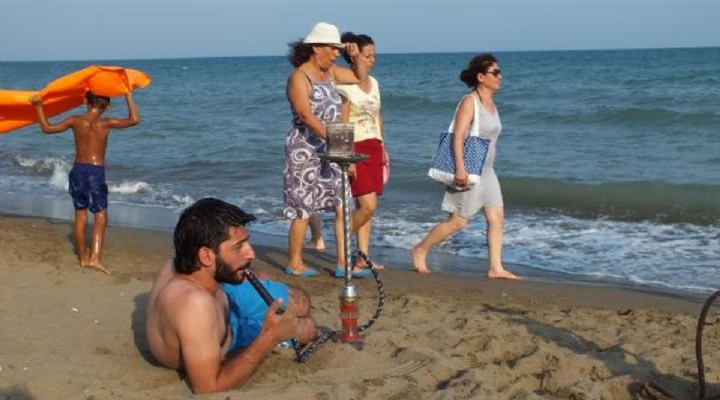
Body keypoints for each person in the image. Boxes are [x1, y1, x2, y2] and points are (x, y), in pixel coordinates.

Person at [145, 198, 318, 394]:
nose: (251, 253)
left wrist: (237, 266)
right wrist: (270, 336)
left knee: (301, 300)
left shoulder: (180, 265)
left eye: (247, 243)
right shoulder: (194, 304)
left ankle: (249, 274)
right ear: (205, 256)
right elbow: (207, 388)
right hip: (221, 331)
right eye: (238, 247)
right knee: (308, 329)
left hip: (222, 296)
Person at [411, 54, 520, 279]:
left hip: (488, 171)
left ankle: (495, 267)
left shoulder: (492, 104)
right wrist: (460, 168)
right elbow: (458, 136)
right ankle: (420, 249)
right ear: (481, 77)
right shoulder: (470, 102)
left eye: (499, 72)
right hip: (469, 170)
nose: (500, 76)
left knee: (497, 218)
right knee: (458, 222)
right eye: (495, 72)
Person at [283, 22, 368, 277]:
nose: (335, 54)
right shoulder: (299, 77)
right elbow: (305, 115)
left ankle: (343, 263)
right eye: (332, 49)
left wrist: (356, 57)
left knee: (343, 202)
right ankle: (295, 263)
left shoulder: (331, 72)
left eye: (337, 50)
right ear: (316, 47)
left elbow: (359, 77)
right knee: (302, 207)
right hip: (304, 149)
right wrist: (334, 141)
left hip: (333, 146)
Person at [30, 91, 139, 274]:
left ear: (85, 102)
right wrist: (128, 96)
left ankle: (83, 258)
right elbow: (134, 119)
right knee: (100, 216)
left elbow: (47, 129)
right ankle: (95, 258)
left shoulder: (75, 120)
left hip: (78, 171)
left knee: (80, 216)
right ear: (108, 107)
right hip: (95, 173)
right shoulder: (106, 123)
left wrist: (38, 107)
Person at [335, 32, 387, 275]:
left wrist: (383, 147)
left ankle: (362, 258)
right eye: (367, 56)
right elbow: (341, 121)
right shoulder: (344, 83)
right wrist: (347, 158)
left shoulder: (374, 82)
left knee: (366, 208)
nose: (372, 60)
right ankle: (342, 244)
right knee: (368, 206)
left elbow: (377, 116)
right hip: (355, 149)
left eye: (374, 55)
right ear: (354, 56)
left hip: (374, 147)